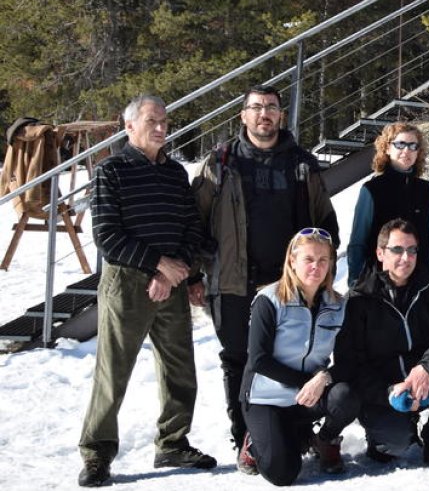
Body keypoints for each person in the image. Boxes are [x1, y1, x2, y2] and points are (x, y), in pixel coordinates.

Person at [193, 84, 340, 452]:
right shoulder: (222, 162)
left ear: (280, 115)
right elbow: (195, 221)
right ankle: (245, 433)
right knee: (237, 357)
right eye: (256, 107)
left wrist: (319, 269)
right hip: (232, 280)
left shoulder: (301, 164)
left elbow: (326, 222)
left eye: (271, 107)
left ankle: (292, 427)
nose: (264, 114)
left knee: (288, 355)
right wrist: (196, 273)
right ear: (243, 115)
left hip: (289, 283)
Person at [78, 95, 215, 487]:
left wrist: (182, 274)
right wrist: (157, 265)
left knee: (179, 368)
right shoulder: (111, 171)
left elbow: (192, 226)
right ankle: (96, 454)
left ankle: (172, 442)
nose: (161, 128)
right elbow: (107, 236)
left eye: (165, 122)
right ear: (129, 127)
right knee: (113, 371)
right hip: (127, 283)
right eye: (152, 121)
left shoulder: (175, 173)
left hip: (172, 280)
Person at [335, 218, 429, 468]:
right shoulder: (360, 299)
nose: (406, 257)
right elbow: (351, 364)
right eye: (397, 250)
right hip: (384, 390)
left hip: (422, 379)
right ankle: (383, 436)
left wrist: (427, 367)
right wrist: (388, 392)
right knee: (396, 445)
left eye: (412, 250)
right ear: (381, 253)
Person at [239, 228, 359, 484]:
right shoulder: (269, 300)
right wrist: (305, 381)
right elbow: (258, 359)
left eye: (323, 260)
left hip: (307, 397)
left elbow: (349, 360)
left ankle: (323, 439)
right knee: (283, 474)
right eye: (308, 259)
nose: (316, 266)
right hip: (267, 397)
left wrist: (324, 377)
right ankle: (255, 443)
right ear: (292, 261)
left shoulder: (338, 306)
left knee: (346, 396)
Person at [347, 122, 429, 284]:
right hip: (380, 281)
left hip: (418, 279)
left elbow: (428, 236)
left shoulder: (426, 189)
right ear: (387, 148)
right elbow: (358, 241)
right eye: (400, 144)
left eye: (413, 145)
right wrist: (355, 281)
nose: (406, 150)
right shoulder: (372, 189)